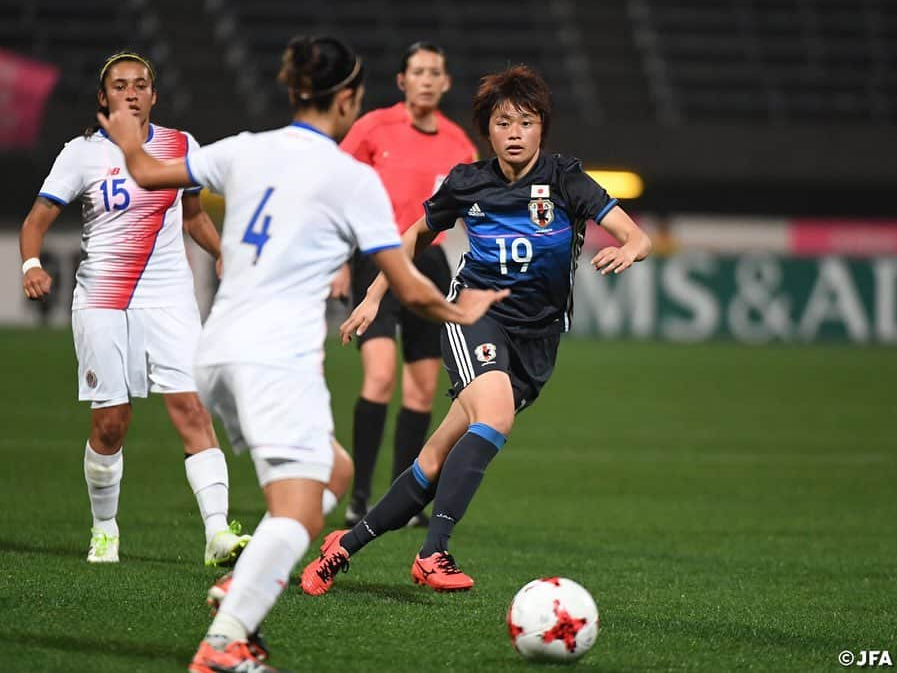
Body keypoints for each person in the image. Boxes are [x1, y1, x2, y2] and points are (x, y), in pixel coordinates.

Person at [97, 35, 507, 672]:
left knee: (334, 477)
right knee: (296, 511)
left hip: (218, 351)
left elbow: (149, 173)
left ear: (294, 90)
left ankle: (245, 584)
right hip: (274, 360)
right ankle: (226, 642)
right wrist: (460, 310)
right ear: (347, 98)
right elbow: (407, 283)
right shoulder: (351, 178)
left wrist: (126, 136)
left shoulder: (246, 147)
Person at [300, 64, 652, 595]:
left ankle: (343, 547)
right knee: (495, 416)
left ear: (542, 129)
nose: (514, 133)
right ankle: (433, 551)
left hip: (538, 343)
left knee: (437, 458)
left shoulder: (564, 179)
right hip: (473, 316)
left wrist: (629, 248)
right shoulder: (468, 181)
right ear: (487, 130)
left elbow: (635, 235)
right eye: (503, 122)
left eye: (526, 122)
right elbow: (414, 235)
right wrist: (375, 293)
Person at [19, 51, 250, 566]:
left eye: (140, 84)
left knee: (192, 407)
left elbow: (192, 217)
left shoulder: (179, 145)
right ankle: (105, 528)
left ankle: (218, 534)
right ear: (103, 97)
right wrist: (31, 264)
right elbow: (36, 219)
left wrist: (224, 254)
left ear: (153, 95)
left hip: (169, 296)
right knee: (111, 424)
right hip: (102, 299)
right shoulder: (81, 153)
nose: (130, 92)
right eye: (119, 85)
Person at [338, 42, 478, 528]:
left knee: (421, 391)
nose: (425, 79)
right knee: (379, 376)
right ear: (402, 80)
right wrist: (338, 261)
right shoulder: (374, 128)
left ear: (445, 83)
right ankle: (359, 496)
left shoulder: (460, 145)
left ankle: (401, 497)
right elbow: (334, 189)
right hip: (372, 259)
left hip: (429, 265)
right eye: (417, 71)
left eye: (434, 72)